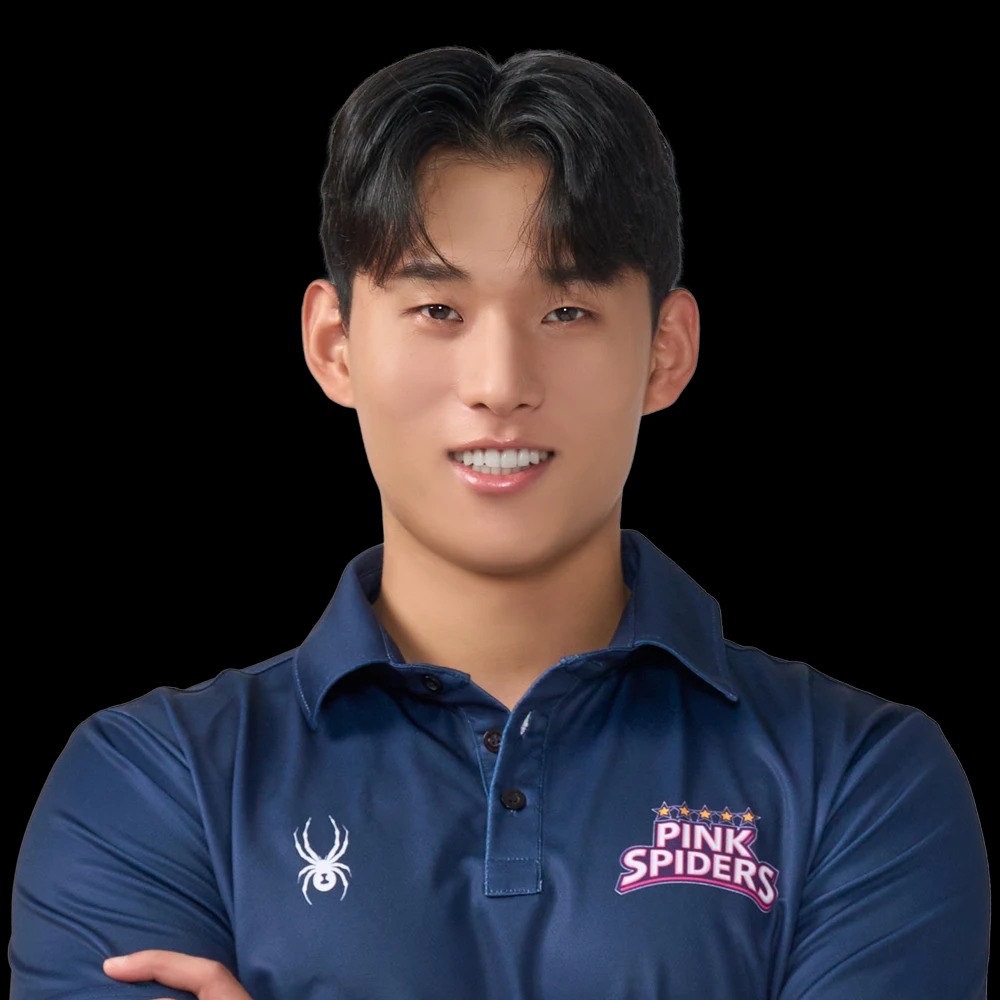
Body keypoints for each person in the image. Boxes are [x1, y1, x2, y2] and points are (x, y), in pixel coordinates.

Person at [11, 47, 989, 999]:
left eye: (565, 311)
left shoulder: (861, 780)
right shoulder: (152, 786)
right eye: (438, 309)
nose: (500, 384)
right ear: (334, 345)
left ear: (665, 350)